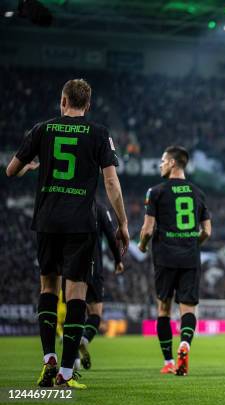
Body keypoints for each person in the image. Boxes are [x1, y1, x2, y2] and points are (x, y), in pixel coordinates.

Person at [6, 78, 129, 388]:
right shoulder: (100, 133)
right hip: (80, 224)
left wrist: (29, 168)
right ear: (87, 106)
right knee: (76, 293)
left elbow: (10, 170)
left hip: (46, 221)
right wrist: (123, 223)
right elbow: (112, 184)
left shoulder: (42, 129)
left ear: (62, 101)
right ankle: (64, 373)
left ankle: (48, 357)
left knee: (48, 287)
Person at [138, 146, 212, 376]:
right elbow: (207, 231)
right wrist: (191, 244)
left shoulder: (156, 192)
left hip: (165, 256)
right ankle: (185, 344)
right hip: (189, 255)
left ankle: (169, 361)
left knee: (164, 308)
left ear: (171, 163)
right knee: (188, 308)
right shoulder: (198, 193)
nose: (160, 165)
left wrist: (141, 245)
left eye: (162, 161)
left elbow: (148, 229)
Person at [76, 201, 124, 371]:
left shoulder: (66, 203)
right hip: (93, 267)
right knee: (95, 313)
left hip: (69, 266)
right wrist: (118, 260)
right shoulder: (99, 208)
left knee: (74, 312)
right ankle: (84, 340)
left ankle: (72, 361)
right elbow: (112, 237)